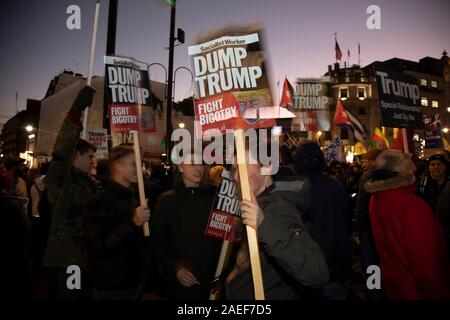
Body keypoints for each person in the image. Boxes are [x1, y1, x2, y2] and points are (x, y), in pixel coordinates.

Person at [225, 147, 329, 300]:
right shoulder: (260, 205)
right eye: (235, 169)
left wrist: (263, 224)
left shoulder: (279, 208)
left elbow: (317, 272)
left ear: (267, 167)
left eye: (244, 166)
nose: (236, 176)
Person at [366, 150, 450, 299]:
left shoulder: (376, 198)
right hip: (416, 288)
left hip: (395, 282)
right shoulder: (412, 205)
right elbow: (424, 262)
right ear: (403, 169)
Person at [43, 85, 98, 300]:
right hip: (67, 261)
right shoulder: (61, 180)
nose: (93, 160)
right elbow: (62, 152)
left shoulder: (91, 183)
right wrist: (75, 114)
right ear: (75, 157)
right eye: (89, 156)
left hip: (85, 260)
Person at [151, 153, 222, 299]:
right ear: (181, 167)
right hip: (179, 283)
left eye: (200, 164)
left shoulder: (215, 196)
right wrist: (175, 269)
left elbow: (223, 236)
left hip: (212, 279)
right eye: (192, 164)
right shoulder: (166, 200)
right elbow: (157, 242)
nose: (198, 169)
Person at [84, 145, 150, 300]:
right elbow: (99, 246)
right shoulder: (100, 201)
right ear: (118, 167)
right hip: (111, 287)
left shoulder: (132, 197)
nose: (139, 169)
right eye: (133, 164)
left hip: (132, 283)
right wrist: (133, 223)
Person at [292, 141, 353, 300]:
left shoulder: (296, 189)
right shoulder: (336, 185)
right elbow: (347, 220)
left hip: (314, 265)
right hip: (338, 261)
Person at [354, 148, 385, 300]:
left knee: (371, 262)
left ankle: (374, 292)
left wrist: (358, 227)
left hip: (367, 226)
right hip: (381, 226)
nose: (364, 163)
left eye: (366, 160)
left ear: (373, 161)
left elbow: (361, 204)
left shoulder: (367, 176)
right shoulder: (388, 174)